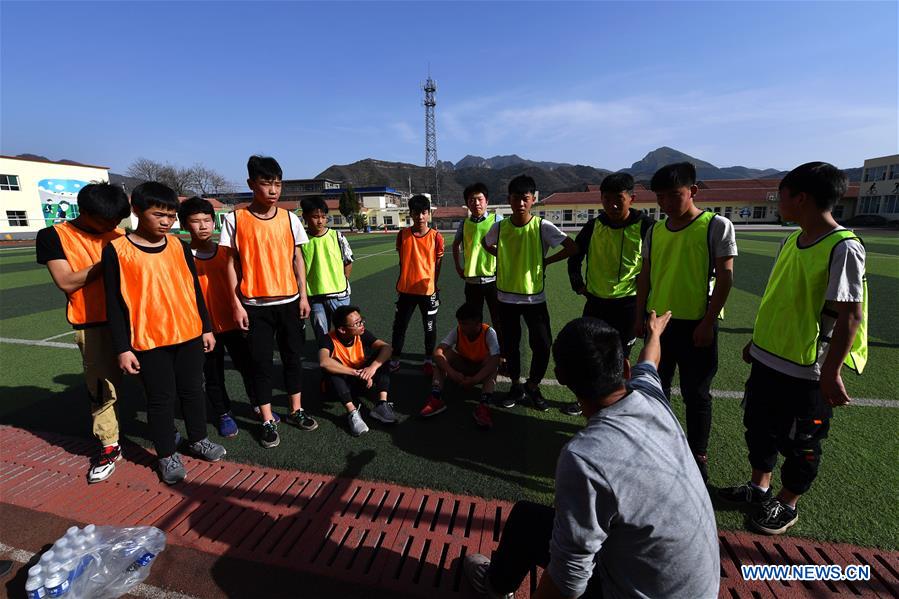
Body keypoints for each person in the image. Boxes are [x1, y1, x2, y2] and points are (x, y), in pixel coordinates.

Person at [464, 312, 719, 599]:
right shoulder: (651, 396)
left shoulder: (585, 457)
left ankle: (495, 587)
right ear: (625, 367)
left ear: (560, 377)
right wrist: (655, 333)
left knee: (527, 522)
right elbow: (650, 360)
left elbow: (568, 579)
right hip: (700, 590)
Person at [719, 162, 867, 535]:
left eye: (780, 194)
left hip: (807, 370)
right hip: (769, 358)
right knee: (759, 429)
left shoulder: (843, 247)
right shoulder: (791, 239)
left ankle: (787, 503)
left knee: (803, 443)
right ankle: (758, 487)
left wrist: (831, 372)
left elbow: (851, 316)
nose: (777, 200)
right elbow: (782, 299)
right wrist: (758, 342)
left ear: (800, 198)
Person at [102, 182, 226, 485]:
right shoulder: (117, 251)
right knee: (160, 399)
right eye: (158, 214)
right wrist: (123, 348)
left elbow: (194, 290)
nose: (165, 222)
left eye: (170, 216)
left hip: (189, 334)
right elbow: (114, 305)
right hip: (149, 340)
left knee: (193, 391)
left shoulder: (179, 246)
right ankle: (167, 454)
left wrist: (206, 328)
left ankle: (198, 439)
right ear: (136, 211)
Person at [634, 162, 736, 482]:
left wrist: (707, 322)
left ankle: (697, 454)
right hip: (659, 326)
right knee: (656, 390)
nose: (665, 203)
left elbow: (725, 278)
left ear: (692, 191)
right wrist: (641, 315)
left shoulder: (715, 225)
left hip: (696, 325)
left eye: (673, 195)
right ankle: (660, 446)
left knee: (697, 394)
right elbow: (646, 276)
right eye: (660, 197)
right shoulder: (655, 230)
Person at [219, 155, 318, 449]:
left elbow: (297, 258)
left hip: (289, 302)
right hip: (255, 306)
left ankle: (296, 410)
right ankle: (266, 419)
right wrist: (236, 305)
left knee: (292, 359)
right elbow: (230, 265)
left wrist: (303, 295)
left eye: (277, 183)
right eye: (266, 183)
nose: (273, 190)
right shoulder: (235, 219)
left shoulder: (290, 218)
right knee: (260, 364)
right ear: (251, 184)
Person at [35, 182, 131, 483]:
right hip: (91, 324)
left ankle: (166, 437)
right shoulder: (54, 236)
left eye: (117, 221)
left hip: (134, 321)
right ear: (85, 212)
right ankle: (109, 445)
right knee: (101, 389)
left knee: (155, 380)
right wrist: (107, 262)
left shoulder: (119, 232)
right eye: (106, 222)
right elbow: (66, 282)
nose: (112, 227)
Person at [482, 175, 577, 411]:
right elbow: (486, 243)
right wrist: (501, 257)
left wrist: (546, 262)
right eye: (516, 199)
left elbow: (571, 247)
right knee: (511, 346)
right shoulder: (500, 227)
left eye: (525, 199)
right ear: (509, 200)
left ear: (533, 200)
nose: (521, 204)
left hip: (535, 298)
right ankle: (515, 385)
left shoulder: (542, 226)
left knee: (543, 345)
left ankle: (533, 385)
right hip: (506, 298)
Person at [566, 173, 653, 415]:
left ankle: (618, 405)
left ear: (631, 198)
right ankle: (586, 399)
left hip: (629, 304)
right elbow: (575, 254)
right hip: (596, 303)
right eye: (607, 200)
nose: (613, 205)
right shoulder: (594, 225)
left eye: (619, 199)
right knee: (589, 353)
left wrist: (645, 306)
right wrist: (578, 284)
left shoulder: (646, 226)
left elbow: (656, 266)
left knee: (620, 358)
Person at [178, 196, 257, 438]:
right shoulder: (181, 255)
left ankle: (258, 404)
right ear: (184, 224)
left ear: (215, 223)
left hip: (234, 323)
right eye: (195, 221)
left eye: (207, 220)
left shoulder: (226, 252)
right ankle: (223, 413)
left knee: (249, 367)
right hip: (204, 329)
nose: (202, 226)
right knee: (213, 375)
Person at [420, 302, 501, 428]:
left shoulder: (489, 333)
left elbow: (496, 359)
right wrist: (452, 373)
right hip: (464, 366)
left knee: (493, 362)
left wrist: (475, 380)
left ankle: (484, 406)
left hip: (480, 370)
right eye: (460, 323)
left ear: (477, 323)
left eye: (465, 324)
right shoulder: (457, 330)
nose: (461, 326)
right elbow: (437, 352)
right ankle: (436, 398)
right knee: (443, 356)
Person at [318, 305, 395, 436]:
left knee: (382, 358)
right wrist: (356, 373)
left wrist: (372, 368)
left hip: (360, 381)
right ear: (342, 329)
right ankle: (352, 412)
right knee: (331, 367)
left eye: (361, 320)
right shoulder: (327, 339)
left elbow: (387, 348)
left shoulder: (362, 334)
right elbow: (324, 362)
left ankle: (382, 404)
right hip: (338, 387)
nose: (361, 325)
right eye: (356, 323)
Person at [389, 194, 444, 375]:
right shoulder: (402, 235)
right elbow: (401, 261)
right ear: (410, 214)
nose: (420, 216)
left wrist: (434, 286)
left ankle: (428, 359)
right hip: (406, 291)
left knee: (429, 327)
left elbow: (438, 265)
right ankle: (395, 358)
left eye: (424, 212)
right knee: (400, 326)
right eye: (416, 213)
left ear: (428, 214)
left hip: (428, 291)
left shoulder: (436, 237)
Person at [300, 196, 354, 343]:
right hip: (314, 296)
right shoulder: (300, 241)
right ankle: (327, 363)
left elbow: (348, 262)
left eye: (323, 217)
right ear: (304, 217)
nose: (320, 221)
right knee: (321, 334)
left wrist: (342, 280)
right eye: (315, 217)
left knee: (345, 331)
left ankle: (348, 360)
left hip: (338, 294)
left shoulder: (337, 236)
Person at [452, 182, 502, 340]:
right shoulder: (464, 223)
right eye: (472, 200)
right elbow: (455, 244)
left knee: (499, 318)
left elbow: (506, 246)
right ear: (467, 203)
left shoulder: (497, 219)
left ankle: (503, 353)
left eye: (480, 199)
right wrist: (458, 268)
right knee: (473, 321)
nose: (476, 203)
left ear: (487, 201)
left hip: (494, 280)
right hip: (472, 281)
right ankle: (476, 351)